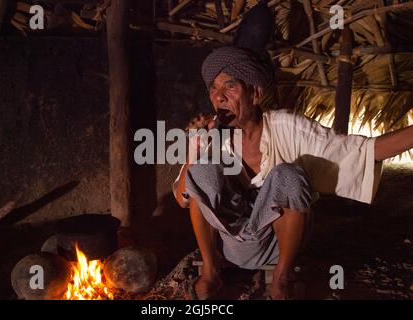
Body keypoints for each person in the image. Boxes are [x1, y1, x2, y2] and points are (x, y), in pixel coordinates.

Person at [173, 46, 413, 300]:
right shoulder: (209, 138)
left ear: (255, 94)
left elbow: (363, 151)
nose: (219, 97)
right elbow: (183, 198)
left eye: (230, 86)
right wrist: (195, 150)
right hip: (229, 246)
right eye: (214, 88)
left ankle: (282, 277)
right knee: (201, 169)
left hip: (278, 246)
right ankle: (211, 272)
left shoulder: (288, 128)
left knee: (287, 176)